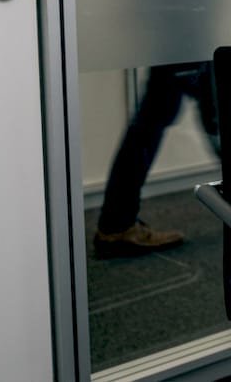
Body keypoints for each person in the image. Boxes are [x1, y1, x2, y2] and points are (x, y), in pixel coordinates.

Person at [93, 61, 218, 257]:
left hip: (179, 41)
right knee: (214, 113)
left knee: (155, 117)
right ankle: (116, 225)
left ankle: (116, 223)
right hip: (183, 40)